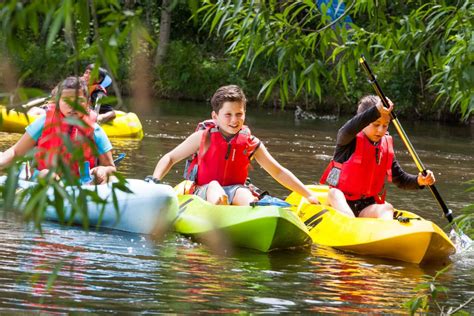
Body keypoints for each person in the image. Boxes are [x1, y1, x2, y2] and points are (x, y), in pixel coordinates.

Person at [149, 85, 319, 206]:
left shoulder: (250, 143)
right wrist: (155, 180)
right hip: (203, 190)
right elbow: (170, 158)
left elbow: (278, 171)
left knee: (245, 195)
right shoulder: (202, 137)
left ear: (244, 113)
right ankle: (219, 211)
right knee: (215, 188)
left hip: (235, 189)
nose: (234, 120)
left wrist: (308, 195)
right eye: (228, 114)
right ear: (215, 116)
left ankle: (250, 212)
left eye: (239, 114)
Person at [319, 95, 435, 219]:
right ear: (363, 122)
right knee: (334, 193)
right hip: (340, 201)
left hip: (367, 206)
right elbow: (348, 129)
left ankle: (386, 234)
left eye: (385, 126)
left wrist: (419, 181)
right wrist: (376, 110)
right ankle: (349, 222)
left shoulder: (385, 147)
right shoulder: (347, 140)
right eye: (376, 124)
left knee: (387, 207)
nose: (380, 130)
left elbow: (400, 179)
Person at [0, 77, 116, 184]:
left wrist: (103, 170)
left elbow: (111, 167)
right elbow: (16, 152)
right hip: (43, 178)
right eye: (66, 100)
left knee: (111, 178)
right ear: (58, 102)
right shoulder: (43, 123)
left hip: (82, 182)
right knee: (47, 175)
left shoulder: (95, 130)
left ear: (87, 103)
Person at [27, 64, 115, 124]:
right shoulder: (76, 86)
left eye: (91, 74)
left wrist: (101, 117)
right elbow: (56, 93)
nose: (87, 76)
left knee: (38, 111)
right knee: (35, 109)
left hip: (79, 117)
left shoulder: (98, 94)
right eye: (86, 73)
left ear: (98, 80)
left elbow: (112, 113)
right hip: (64, 112)